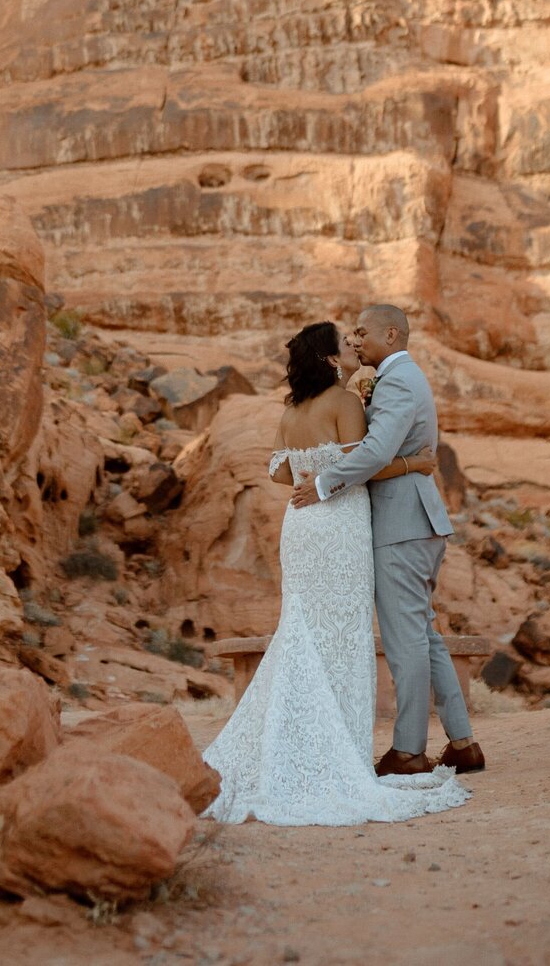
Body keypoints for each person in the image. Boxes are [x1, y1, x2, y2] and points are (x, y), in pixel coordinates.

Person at [202, 319, 471, 825]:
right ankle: (340, 747)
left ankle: (298, 739)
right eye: (345, 343)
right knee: (343, 635)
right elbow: (365, 464)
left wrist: (311, 470)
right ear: (329, 360)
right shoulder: (346, 403)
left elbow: (280, 472)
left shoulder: (291, 410)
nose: (353, 345)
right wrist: (414, 464)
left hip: (301, 526)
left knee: (302, 630)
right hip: (340, 527)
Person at [291, 303, 485, 778]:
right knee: (423, 636)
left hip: (402, 525)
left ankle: (408, 752)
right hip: (412, 522)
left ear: (391, 334)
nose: (355, 341)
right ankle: (462, 744)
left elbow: (377, 449)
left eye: (362, 332)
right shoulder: (394, 379)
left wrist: (321, 485)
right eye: (350, 335)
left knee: (405, 644)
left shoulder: (398, 380)